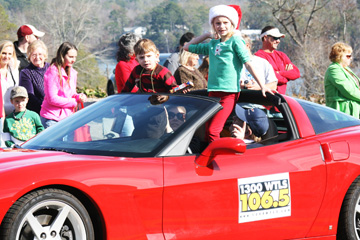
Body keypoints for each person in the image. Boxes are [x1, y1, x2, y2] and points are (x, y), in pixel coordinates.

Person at [184, 4, 272, 142]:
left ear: (232, 24)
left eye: (225, 23)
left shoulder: (236, 41)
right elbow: (187, 47)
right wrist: (207, 34)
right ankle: (209, 158)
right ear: (213, 25)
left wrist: (262, 85)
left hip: (229, 93)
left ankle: (217, 159)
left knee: (214, 130)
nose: (222, 26)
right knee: (207, 129)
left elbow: (248, 63)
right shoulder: (213, 44)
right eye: (217, 23)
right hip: (213, 92)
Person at [40, 42, 86, 128]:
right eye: (71, 57)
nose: (74, 60)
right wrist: (73, 102)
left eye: (75, 57)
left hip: (67, 118)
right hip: (52, 118)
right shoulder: (52, 72)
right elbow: (52, 99)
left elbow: (71, 94)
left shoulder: (72, 72)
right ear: (62, 55)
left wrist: (79, 97)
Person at [255, 26, 300, 95]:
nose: (278, 41)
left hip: (282, 98)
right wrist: (287, 76)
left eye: (279, 38)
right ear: (265, 38)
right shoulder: (258, 57)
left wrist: (280, 73)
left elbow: (296, 73)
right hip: (267, 99)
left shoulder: (282, 55)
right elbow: (273, 79)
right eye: (275, 38)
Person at [324, 42, 360, 118]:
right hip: (342, 114)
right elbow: (348, 91)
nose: (351, 58)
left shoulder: (345, 69)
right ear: (339, 56)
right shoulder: (334, 69)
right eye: (348, 56)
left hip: (352, 113)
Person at [19, 40, 50, 114]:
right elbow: (30, 97)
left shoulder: (52, 68)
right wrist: (47, 107)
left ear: (45, 55)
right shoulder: (26, 73)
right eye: (34, 55)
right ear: (29, 56)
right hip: (37, 113)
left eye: (40, 54)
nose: (37, 57)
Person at [0, 40, 19, 116]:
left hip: (12, 112)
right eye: (4, 53)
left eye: (9, 54)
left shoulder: (14, 69)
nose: (6, 57)